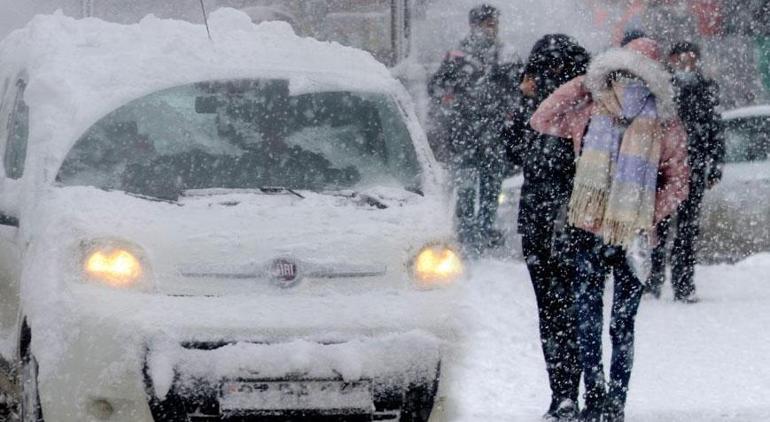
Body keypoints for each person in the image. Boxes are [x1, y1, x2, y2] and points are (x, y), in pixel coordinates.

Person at [530, 38, 690, 422]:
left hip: (619, 234)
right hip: (602, 233)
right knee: (615, 323)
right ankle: (609, 400)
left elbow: (677, 181)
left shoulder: (653, 120)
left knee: (600, 321)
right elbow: (542, 118)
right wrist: (586, 82)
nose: (625, 80)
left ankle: (604, 399)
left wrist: (645, 215)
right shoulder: (594, 108)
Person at [508, 33, 590, 422]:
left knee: (569, 311)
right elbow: (510, 150)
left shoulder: (584, 107)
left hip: (572, 222)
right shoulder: (537, 112)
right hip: (543, 224)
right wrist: (522, 99)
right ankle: (563, 393)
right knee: (556, 312)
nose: (550, 76)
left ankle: (574, 392)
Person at [427, 4, 513, 253]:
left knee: (490, 188)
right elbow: (436, 87)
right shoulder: (459, 56)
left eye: (494, 23)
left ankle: (482, 232)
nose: (493, 29)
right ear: (475, 25)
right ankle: (468, 234)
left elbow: (514, 90)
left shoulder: (504, 54)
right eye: (488, 24)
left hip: (490, 134)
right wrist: (456, 99)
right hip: (465, 134)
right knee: (466, 187)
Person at [646, 41, 725, 302]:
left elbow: (715, 128)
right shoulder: (662, 89)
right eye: (681, 59)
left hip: (693, 168)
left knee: (687, 230)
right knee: (659, 226)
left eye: (691, 60)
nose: (686, 65)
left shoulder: (705, 89)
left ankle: (683, 284)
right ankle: (653, 280)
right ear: (672, 59)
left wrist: (714, 165)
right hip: (665, 170)